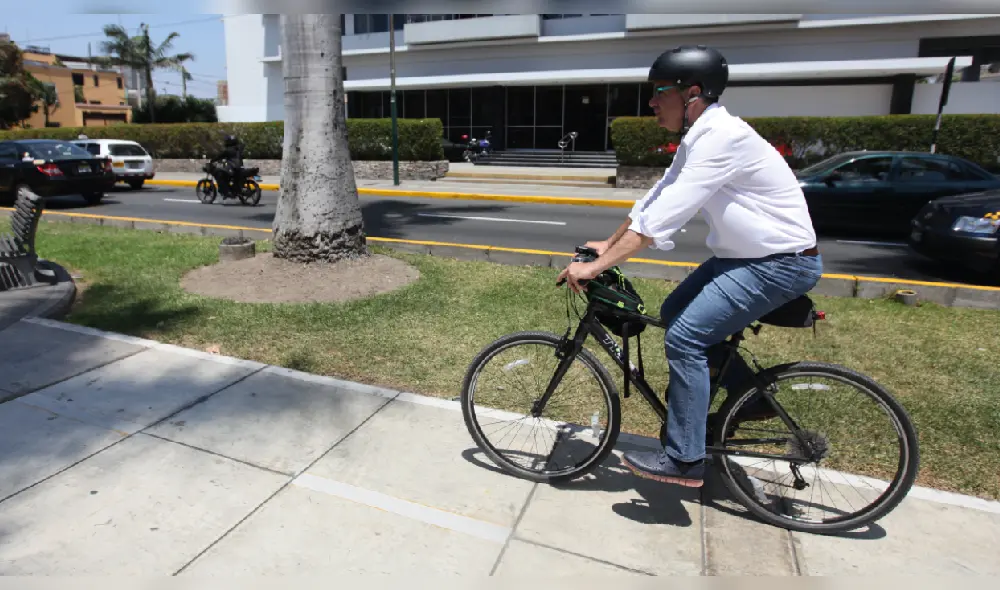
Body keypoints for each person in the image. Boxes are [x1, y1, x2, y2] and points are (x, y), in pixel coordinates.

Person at [556, 45, 823, 488]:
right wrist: (608, 241)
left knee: (685, 339)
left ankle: (684, 458)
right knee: (675, 312)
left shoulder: (723, 139)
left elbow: (663, 219)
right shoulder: (699, 137)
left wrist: (596, 266)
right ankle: (745, 397)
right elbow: (656, 197)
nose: (651, 102)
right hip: (745, 258)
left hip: (779, 264)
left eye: (659, 92)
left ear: (692, 92)